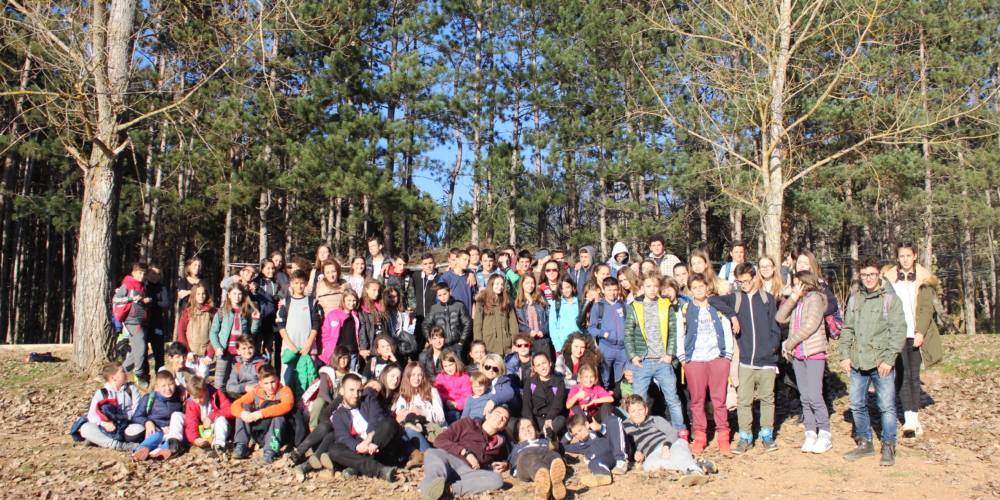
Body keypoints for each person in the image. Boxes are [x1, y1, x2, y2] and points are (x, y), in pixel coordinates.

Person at [708, 262, 781, 454]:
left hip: (767, 360)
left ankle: (767, 434)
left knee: (767, 399)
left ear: (755, 278)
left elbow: (775, 327)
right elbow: (712, 300)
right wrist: (732, 315)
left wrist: (773, 347)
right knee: (744, 401)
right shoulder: (736, 298)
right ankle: (745, 437)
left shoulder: (767, 299)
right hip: (745, 360)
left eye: (747, 281)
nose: (744, 285)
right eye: (740, 282)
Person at [840, 255, 906, 466]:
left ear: (880, 275)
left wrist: (889, 360)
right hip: (858, 362)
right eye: (864, 275)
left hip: (881, 363)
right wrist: (844, 355)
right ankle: (864, 442)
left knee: (886, 405)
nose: (868, 278)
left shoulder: (891, 300)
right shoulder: (854, 299)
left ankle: (888, 444)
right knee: (856, 404)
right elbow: (847, 329)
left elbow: (898, 332)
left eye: (872, 274)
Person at [885, 241, 942, 437]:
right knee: (902, 374)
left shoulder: (924, 279)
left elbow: (927, 307)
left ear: (915, 256)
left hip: (916, 333)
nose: (905, 260)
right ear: (897, 258)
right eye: (902, 256)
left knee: (914, 376)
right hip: (896, 334)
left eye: (908, 256)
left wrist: (920, 332)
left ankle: (913, 416)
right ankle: (908, 417)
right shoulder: (889, 279)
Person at [676, 273, 735, 455]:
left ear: (707, 287)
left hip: (717, 358)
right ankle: (700, 436)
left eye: (701, 286)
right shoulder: (685, 310)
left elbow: (726, 331)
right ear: (690, 290)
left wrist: (727, 357)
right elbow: (680, 335)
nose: (699, 290)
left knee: (719, 400)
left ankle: (723, 436)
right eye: (694, 287)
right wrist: (683, 359)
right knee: (697, 400)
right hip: (694, 360)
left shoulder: (717, 307)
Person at [624, 273, 686, 436]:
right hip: (642, 362)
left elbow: (673, 332)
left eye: (655, 286)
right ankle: (639, 434)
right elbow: (628, 333)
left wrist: (669, 355)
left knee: (672, 399)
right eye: (648, 286)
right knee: (637, 401)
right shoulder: (635, 307)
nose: (652, 289)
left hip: (662, 361)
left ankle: (680, 432)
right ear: (642, 287)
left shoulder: (666, 305)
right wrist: (633, 356)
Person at [777, 270, 831, 454]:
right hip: (799, 355)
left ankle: (824, 432)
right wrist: (792, 298)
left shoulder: (815, 298)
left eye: (797, 284)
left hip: (813, 353)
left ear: (805, 283)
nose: (794, 287)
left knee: (815, 396)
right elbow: (780, 317)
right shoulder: (798, 301)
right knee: (805, 396)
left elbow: (810, 325)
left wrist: (789, 342)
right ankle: (810, 431)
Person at [314, 374, 401, 482]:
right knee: (333, 449)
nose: (356, 395)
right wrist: (358, 447)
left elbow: (376, 419)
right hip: (358, 448)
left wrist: (369, 439)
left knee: (389, 423)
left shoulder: (369, 400)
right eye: (351, 390)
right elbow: (342, 436)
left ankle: (356, 466)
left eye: (359, 390)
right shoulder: (338, 415)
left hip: (379, 447)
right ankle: (378, 469)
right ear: (342, 391)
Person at [620, 394, 716, 485]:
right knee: (648, 466)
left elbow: (672, 432)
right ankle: (694, 465)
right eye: (633, 411)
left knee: (678, 454)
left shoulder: (655, 419)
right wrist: (635, 452)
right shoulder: (625, 426)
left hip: (671, 444)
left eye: (640, 409)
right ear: (628, 414)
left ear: (646, 410)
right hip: (652, 453)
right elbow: (625, 444)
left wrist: (666, 446)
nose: (637, 413)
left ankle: (695, 471)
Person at [420, 406, 511, 500]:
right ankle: (430, 490)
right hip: (449, 460)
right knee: (434, 454)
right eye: (498, 413)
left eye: (504, 418)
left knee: (497, 479)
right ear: (487, 415)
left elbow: (505, 459)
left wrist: (505, 464)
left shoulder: (499, 443)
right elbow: (439, 440)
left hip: (468, 472)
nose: (500, 418)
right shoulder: (467, 423)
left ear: (503, 427)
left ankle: (447, 490)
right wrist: (465, 452)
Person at [232, 363, 294, 463]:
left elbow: (287, 405)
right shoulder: (257, 392)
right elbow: (235, 405)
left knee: (278, 415)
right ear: (260, 383)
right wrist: (242, 413)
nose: (270, 386)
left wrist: (261, 413)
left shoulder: (284, 390)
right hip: (260, 430)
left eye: (273, 382)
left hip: (278, 431)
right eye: (266, 383)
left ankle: (270, 451)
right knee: (244, 407)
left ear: (277, 379)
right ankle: (241, 445)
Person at [275, 270, 323, 397]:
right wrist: (289, 344)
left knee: (308, 381)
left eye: (302, 283)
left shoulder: (312, 302)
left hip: (308, 349)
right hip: (290, 349)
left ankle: (306, 407)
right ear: (291, 284)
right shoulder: (286, 302)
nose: (299, 286)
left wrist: (308, 344)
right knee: (287, 381)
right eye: (296, 283)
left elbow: (316, 324)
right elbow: (280, 324)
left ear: (306, 283)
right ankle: (287, 406)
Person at [77, 362, 143, 451]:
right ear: (112, 377)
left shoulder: (131, 389)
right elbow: (92, 415)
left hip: (127, 425)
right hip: (107, 427)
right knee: (85, 429)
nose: (126, 373)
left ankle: (99, 440)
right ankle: (119, 445)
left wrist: (121, 417)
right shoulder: (102, 393)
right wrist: (105, 424)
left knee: (140, 430)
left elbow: (137, 411)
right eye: (122, 371)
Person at [209, 283, 261, 390]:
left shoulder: (246, 312)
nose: (237, 296)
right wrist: (217, 347)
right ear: (229, 295)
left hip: (240, 354)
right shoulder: (221, 312)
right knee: (220, 382)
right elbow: (213, 332)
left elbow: (251, 334)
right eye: (234, 293)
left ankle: (235, 399)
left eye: (239, 294)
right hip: (224, 352)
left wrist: (256, 320)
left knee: (238, 381)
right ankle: (220, 400)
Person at [393, 362, 446, 458]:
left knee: (411, 429)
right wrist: (402, 417)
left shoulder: (432, 391)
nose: (416, 378)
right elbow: (400, 413)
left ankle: (430, 456)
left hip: (433, 429)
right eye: (413, 375)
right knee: (408, 428)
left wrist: (422, 412)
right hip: (415, 430)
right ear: (408, 376)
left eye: (419, 375)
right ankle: (421, 456)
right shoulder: (403, 396)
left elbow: (441, 418)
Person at [131, 370, 186, 461]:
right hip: (156, 429)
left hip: (172, 432)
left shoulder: (181, 397)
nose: (168, 389)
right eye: (163, 386)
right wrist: (147, 422)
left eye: (170, 384)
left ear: (175, 383)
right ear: (156, 387)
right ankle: (141, 450)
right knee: (156, 435)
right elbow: (136, 417)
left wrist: (174, 427)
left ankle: (159, 452)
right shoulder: (149, 398)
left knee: (177, 438)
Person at [114, 262, 153, 387]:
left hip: (142, 321)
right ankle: (139, 375)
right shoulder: (127, 285)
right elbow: (116, 299)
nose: (142, 276)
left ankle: (120, 373)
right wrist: (131, 299)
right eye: (139, 273)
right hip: (132, 320)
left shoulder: (143, 286)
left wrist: (147, 300)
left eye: (144, 274)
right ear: (133, 273)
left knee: (136, 351)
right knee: (141, 348)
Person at [510, 418, 568, 500]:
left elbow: (554, 447)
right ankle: (542, 478)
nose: (527, 430)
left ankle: (556, 485)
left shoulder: (544, 441)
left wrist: (553, 439)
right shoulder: (517, 447)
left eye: (529, 427)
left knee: (553, 455)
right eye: (522, 429)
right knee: (529, 458)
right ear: (518, 436)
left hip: (544, 453)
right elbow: (514, 463)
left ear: (536, 430)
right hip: (527, 462)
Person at [589, 277, 627, 390]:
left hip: (622, 348)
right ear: (603, 290)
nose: (612, 292)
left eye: (614, 289)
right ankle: (605, 397)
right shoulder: (598, 307)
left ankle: (618, 398)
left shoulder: (624, 306)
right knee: (604, 377)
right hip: (606, 347)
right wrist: (604, 334)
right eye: (609, 290)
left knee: (621, 378)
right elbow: (591, 328)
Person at [560, 414, 615, 487]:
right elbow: (563, 446)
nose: (579, 435)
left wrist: (600, 428)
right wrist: (569, 434)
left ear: (586, 425)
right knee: (593, 462)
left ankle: (602, 475)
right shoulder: (580, 446)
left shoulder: (597, 432)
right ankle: (602, 476)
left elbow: (613, 433)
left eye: (580, 430)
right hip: (601, 460)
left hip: (614, 452)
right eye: (575, 434)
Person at [183, 375, 231, 458]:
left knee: (221, 419)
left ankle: (218, 445)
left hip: (220, 428)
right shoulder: (190, 403)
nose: (198, 400)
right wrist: (195, 439)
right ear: (190, 395)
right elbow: (191, 423)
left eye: (200, 397)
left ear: (206, 390)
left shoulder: (217, 394)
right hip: (204, 431)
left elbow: (230, 410)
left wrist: (211, 417)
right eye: (195, 398)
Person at [521, 352, 567, 435]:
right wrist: (530, 423)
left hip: (552, 418)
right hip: (536, 419)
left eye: (544, 363)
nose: (542, 368)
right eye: (538, 365)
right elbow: (527, 405)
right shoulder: (530, 382)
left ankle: (542, 436)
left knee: (561, 420)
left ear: (550, 363)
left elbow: (558, 403)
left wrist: (550, 418)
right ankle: (541, 435)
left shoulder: (559, 381)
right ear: (534, 368)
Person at [475, 275, 519, 356]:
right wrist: (479, 347)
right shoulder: (481, 303)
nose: (500, 287)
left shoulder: (507, 303)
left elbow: (514, 326)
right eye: (497, 284)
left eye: (502, 284)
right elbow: (477, 326)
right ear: (491, 284)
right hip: (489, 347)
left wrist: (515, 343)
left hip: (506, 347)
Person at [423, 283, 472, 354]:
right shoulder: (434, 308)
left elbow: (467, 323)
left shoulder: (459, 306)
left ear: (450, 292)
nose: (443, 297)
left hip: (457, 344)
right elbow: (425, 325)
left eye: (444, 294)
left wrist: (462, 341)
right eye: (440, 295)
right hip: (441, 345)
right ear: (437, 295)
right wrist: (430, 339)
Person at [319, 288, 361, 370]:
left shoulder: (357, 315)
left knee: (350, 376)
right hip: (337, 353)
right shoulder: (333, 315)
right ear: (343, 300)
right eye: (349, 300)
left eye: (354, 300)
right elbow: (326, 333)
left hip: (352, 352)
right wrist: (327, 347)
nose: (352, 303)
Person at [143, 264, 171, 371]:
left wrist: (152, 302)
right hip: (144, 323)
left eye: (158, 274)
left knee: (159, 351)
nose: (156, 276)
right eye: (153, 274)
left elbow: (166, 304)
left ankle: (160, 374)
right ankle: (144, 375)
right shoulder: (143, 287)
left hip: (157, 323)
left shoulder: (162, 288)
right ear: (147, 274)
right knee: (143, 351)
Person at [176, 284, 216, 358]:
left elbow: (215, 333)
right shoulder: (187, 313)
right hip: (190, 355)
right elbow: (181, 333)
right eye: (198, 294)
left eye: (203, 294)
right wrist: (188, 352)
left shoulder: (211, 312)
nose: (201, 296)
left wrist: (210, 355)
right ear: (193, 295)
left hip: (205, 356)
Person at [516, 273, 551, 356]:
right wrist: (528, 331)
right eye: (527, 283)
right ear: (522, 285)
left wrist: (544, 330)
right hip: (527, 341)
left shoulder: (541, 300)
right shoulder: (518, 303)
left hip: (543, 340)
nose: (530, 285)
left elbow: (550, 318)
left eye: (532, 283)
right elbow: (518, 323)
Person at [408, 252, 440, 341]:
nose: (428, 266)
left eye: (430, 263)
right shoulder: (415, 276)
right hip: (419, 319)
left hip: (434, 320)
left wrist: (470, 272)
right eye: (425, 264)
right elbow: (401, 269)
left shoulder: (440, 278)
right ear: (422, 265)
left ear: (435, 263)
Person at [225, 335, 267, 401]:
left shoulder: (261, 364)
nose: (247, 351)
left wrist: (254, 388)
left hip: (256, 394)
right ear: (238, 351)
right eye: (243, 348)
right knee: (226, 395)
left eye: (250, 348)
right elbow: (229, 386)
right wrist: (245, 388)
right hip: (241, 394)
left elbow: (267, 384)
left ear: (254, 348)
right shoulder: (237, 366)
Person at [435, 350, 471, 423]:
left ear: (456, 363)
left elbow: (467, 396)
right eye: (445, 366)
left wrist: (456, 405)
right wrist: (446, 400)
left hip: (459, 408)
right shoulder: (440, 377)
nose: (449, 369)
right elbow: (437, 392)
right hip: (444, 405)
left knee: (452, 415)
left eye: (451, 365)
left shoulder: (464, 377)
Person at [384, 286, 419, 362]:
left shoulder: (404, 313)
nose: (393, 299)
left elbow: (407, 329)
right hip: (388, 343)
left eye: (395, 296)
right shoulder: (384, 312)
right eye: (390, 297)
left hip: (401, 344)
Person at [358, 279, 388, 361]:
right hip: (370, 345)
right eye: (374, 290)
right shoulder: (362, 307)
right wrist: (363, 348)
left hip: (381, 343)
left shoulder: (380, 305)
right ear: (366, 290)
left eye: (378, 290)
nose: (377, 293)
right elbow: (362, 329)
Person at [438, 249, 475, 314]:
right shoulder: (447, 276)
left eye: (468, 260)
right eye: (464, 260)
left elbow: (473, 298)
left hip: (466, 314)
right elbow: (438, 296)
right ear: (457, 260)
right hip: (451, 315)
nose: (467, 262)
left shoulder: (469, 277)